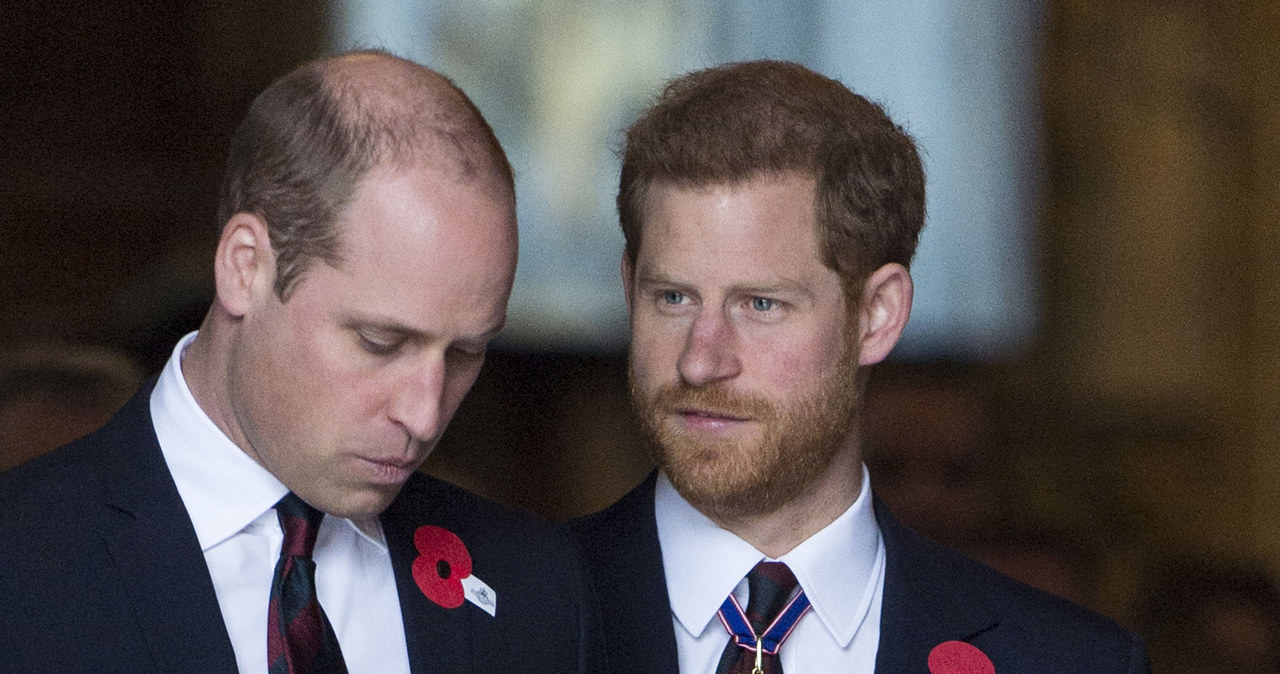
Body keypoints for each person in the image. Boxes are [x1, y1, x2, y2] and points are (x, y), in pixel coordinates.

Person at [0, 51, 599, 673]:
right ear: (245, 266)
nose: (424, 415)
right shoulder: (19, 566)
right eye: (379, 342)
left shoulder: (537, 589)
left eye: (466, 353)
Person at [568, 60, 1148, 673]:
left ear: (877, 315)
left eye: (760, 304)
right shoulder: (501, 615)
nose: (700, 360)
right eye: (674, 298)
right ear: (631, 289)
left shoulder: (1070, 662)